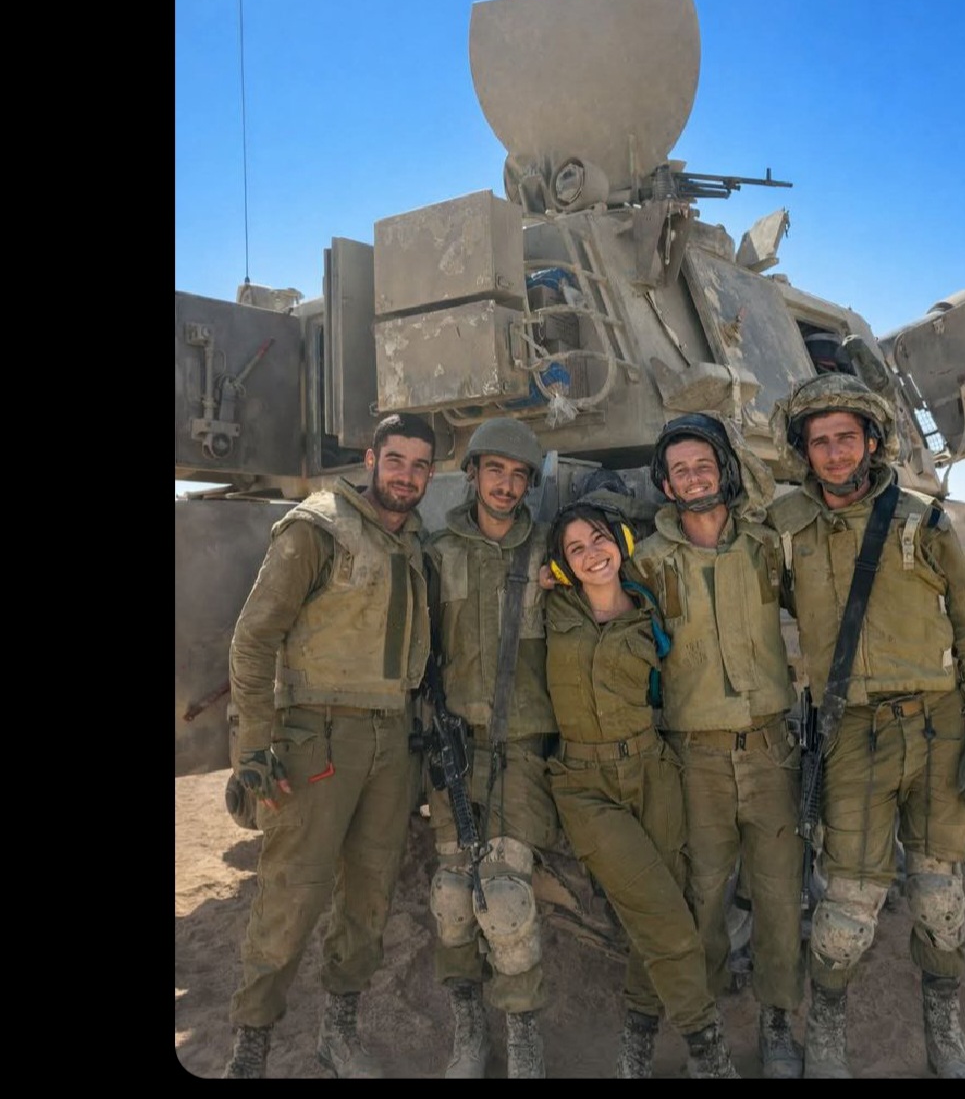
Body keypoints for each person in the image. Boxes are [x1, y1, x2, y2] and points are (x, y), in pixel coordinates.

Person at [770, 373, 965, 1079]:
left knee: (939, 896)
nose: (835, 453)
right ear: (804, 451)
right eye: (820, 441)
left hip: (938, 726)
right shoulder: (785, 529)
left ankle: (945, 1035)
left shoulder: (923, 522)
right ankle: (826, 1038)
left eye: (847, 437)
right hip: (851, 730)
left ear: (873, 442)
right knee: (847, 904)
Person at [223, 412, 436, 1080]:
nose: (406, 475)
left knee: (369, 898)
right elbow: (254, 639)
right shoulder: (317, 528)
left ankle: (338, 1033)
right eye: (395, 460)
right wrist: (254, 747)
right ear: (371, 460)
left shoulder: (414, 541)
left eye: (420, 465)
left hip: (391, 738)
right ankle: (250, 1047)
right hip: (316, 739)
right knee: (293, 894)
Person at [632, 414, 805, 1080]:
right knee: (700, 899)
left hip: (771, 750)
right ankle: (703, 1034)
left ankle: (777, 1020)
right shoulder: (648, 562)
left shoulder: (765, 546)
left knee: (779, 895)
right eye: (680, 470)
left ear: (724, 470)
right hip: (695, 758)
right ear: (666, 485)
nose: (695, 477)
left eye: (704, 464)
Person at [545, 501, 740, 1079]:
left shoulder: (651, 610)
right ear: (561, 565)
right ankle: (708, 1050)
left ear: (621, 540)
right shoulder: (551, 607)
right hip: (585, 785)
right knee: (663, 915)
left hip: (654, 774)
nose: (591, 554)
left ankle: (636, 1038)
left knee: (660, 908)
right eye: (575, 549)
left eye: (598, 538)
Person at [423, 418, 560, 1079]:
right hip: (454, 747)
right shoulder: (437, 552)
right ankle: (469, 1026)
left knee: (505, 900)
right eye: (495, 471)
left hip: (521, 747)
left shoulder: (549, 552)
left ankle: (523, 1034)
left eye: (518, 476)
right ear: (473, 473)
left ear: (529, 484)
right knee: (452, 898)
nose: (505, 486)